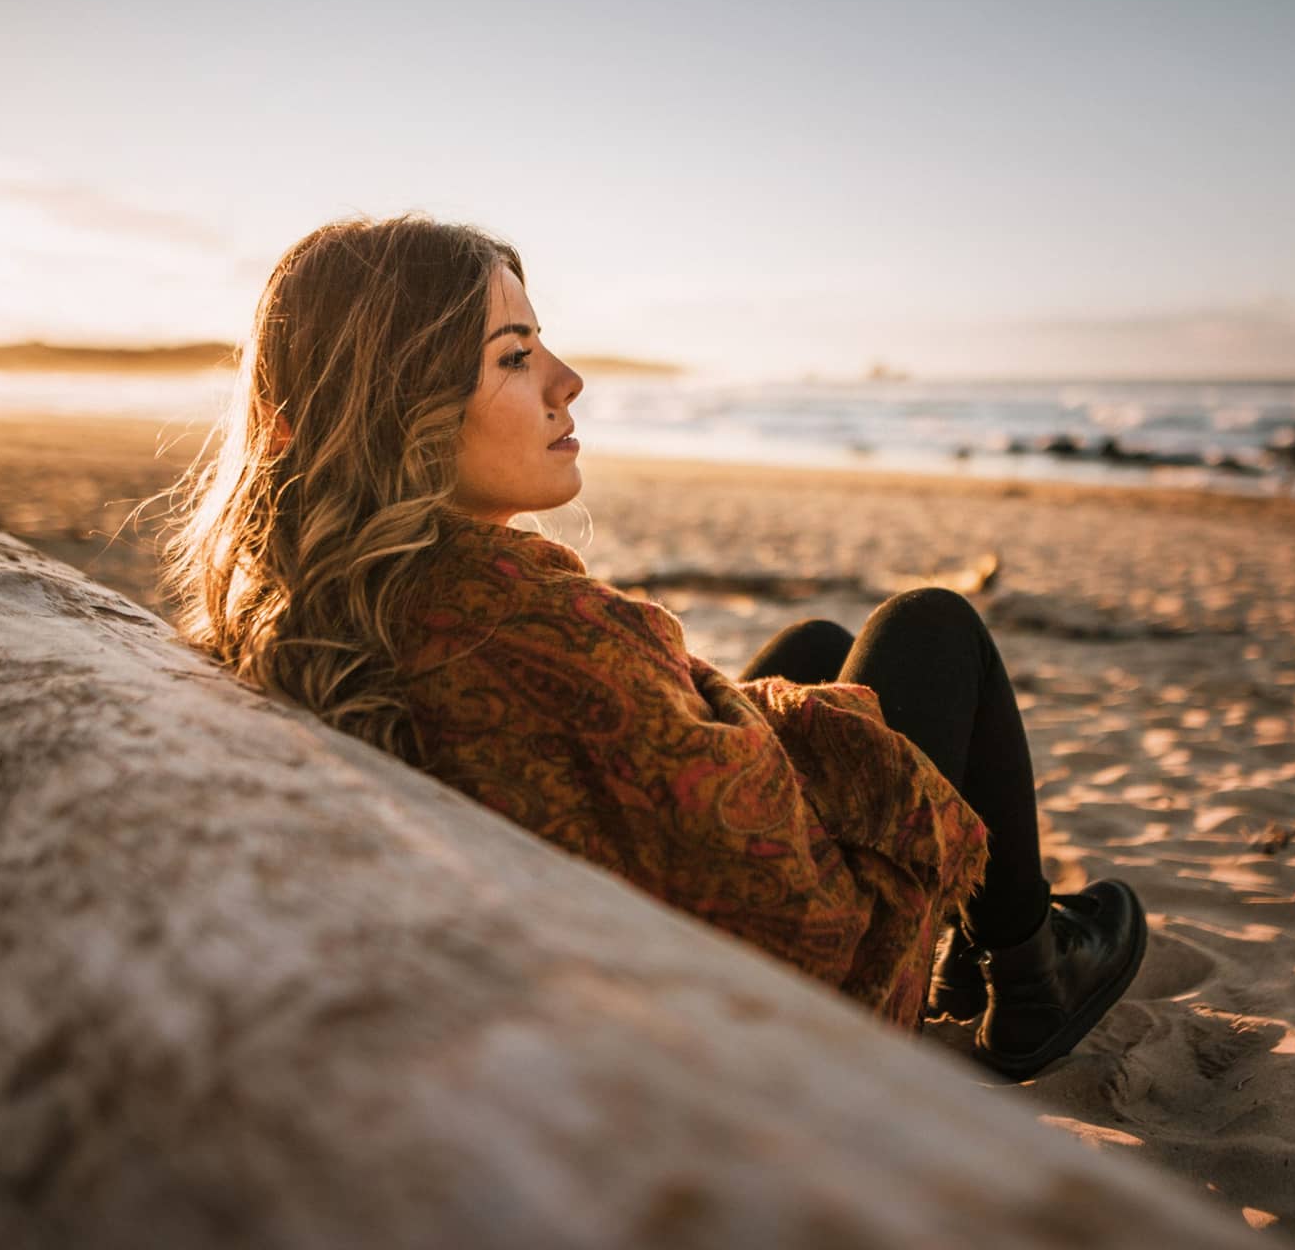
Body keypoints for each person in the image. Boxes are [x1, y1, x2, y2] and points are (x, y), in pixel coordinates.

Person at [160, 214, 1146, 1079]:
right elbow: (772, 885)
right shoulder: (512, 618)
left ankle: (989, 941)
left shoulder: (336, 595)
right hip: (763, 1016)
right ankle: (1027, 971)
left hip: (590, 942)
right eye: (513, 356)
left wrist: (788, 715)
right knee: (931, 626)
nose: (566, 379)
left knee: (814, 643)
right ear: (395, 409)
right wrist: (820, 739)